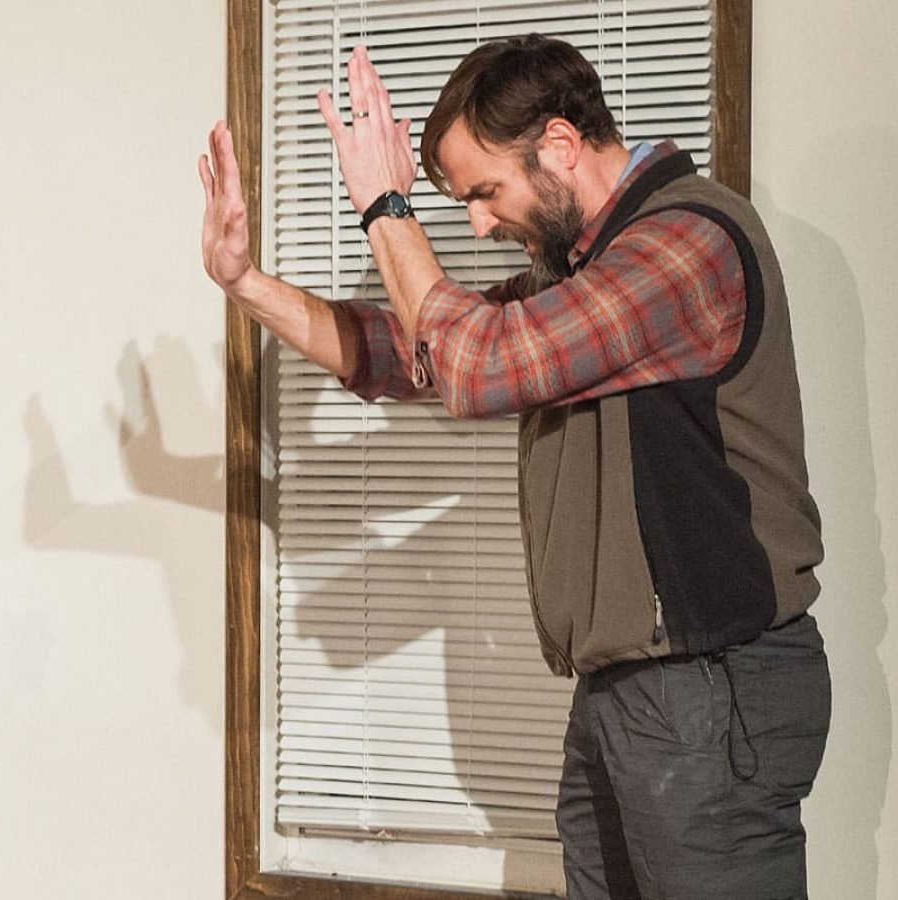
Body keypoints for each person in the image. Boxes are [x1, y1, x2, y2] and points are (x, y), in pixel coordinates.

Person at [200, 35, 830, 900]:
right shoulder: (579, 277)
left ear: (561, 145)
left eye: (485, 191)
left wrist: (387, 206)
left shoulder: (687, 242)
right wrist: (245, 283)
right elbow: (402, 350)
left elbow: (475, 367)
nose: (479, 223)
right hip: (633, 690)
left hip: (708, 686)